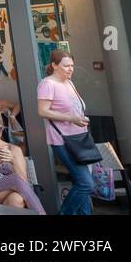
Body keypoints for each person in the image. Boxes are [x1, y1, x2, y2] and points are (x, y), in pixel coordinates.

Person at [37, 49, 93, 215]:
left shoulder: (69, 83)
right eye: (66, 66)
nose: (70, 69)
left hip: (80, 138)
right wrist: (71, 118)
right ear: (54, 65)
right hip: (63, 140)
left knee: (82, 183)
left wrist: (80, 119)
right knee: (86, 183)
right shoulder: (47, 84)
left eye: (72, 65)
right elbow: (42, 111)